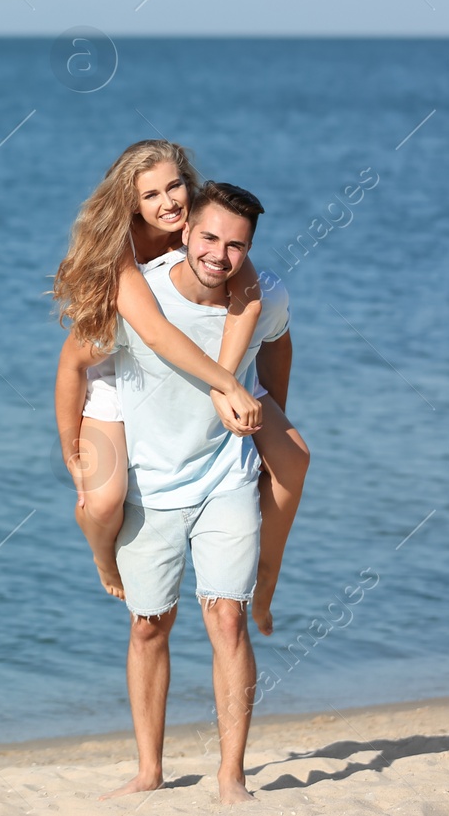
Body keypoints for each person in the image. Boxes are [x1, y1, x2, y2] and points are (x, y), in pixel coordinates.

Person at [52, 141, 308, 635]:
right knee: (102, 502)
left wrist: (249, 396)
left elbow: (252, 306)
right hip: (122, 372)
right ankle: (106, 560)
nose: (168, 202)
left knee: (293, 457)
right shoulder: (121, 250)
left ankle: (265, 585)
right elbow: (151, 335)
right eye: (151, 195)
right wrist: (69, 445)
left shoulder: (208, 235)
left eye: (175, 186)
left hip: (208, 374)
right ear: (131, 203)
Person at [101, 181, 290, 802]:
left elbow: (279, 341)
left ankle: (231, 774)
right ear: (184, 233)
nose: (219, 255)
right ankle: (149, 770)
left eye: (237, 245)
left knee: (227, 621)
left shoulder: (262, 296)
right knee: (149, 625)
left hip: (224, 479)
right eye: (209, 237)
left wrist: (271, 410)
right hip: (149, 485)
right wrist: (82, 453)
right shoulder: (140, 294)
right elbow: (79, 363)